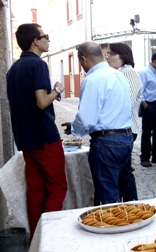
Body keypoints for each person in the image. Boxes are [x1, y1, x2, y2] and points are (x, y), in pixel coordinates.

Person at [6, 23, 67, 238]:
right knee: (57, 187)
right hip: (44, 137)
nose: (48, 40)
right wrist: (57, 89)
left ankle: (36, 238)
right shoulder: (38, 65)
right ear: (35, 40)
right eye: (46, 36)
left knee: (35, 189)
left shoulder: (13, 69)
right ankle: (48, 237)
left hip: (25, 138)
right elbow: (41, 102)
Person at [62, 41, 137, 205]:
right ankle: (129, 222)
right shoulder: (119, 75)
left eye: (80, 62)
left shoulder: (93, 79)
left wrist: (75, 128)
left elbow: (87, 118)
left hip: (106, 142)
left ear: (83, 59)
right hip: (125, 136)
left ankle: (115, 227)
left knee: (108, 194)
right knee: (124, 186)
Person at [106, 42, 142, 142]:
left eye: (111, 54)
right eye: (107, 54)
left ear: (123, 56)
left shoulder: (129, 73)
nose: (107, 57)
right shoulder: (117, 73)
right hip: (117, 129)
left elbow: (126, 103)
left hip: (125, 130)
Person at [139, 52, 156, 167]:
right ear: (154, 62)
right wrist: (146, 106)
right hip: (149, 105)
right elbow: (140, 92)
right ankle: (145, 157)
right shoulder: (144, 73)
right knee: (147, 132)